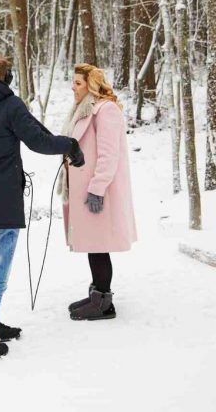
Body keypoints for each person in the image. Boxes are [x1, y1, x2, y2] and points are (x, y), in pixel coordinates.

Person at [0, 54, 84, 365]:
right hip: (1, 203)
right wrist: (70, 145)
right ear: (4, 78)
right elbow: (39, 140)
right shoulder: (10, 106)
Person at [59, 63, 137, 321]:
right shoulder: (86, 109)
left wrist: (97, 189)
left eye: (78, 83)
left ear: (91, 85)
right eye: (73, 82)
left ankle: (103, 301)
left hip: (99, 190)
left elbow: (108, 155)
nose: (73, 87)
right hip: (86, 187)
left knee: (99, 245)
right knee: (94, 243)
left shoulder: (106, 111)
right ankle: (97, 293)